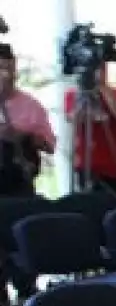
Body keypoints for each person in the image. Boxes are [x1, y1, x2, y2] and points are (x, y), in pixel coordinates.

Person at [64, 64, 116, 197]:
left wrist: (105, 92)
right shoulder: (73, 95)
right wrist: (84, 94)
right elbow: (73, 119)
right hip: (88, 167)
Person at [0, 44, 55, 197]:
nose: (5, 76)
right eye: (1, 69)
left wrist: (26, 136)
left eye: (9, 69)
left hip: (20, 186)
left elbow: (49, 146)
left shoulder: (31, 104)